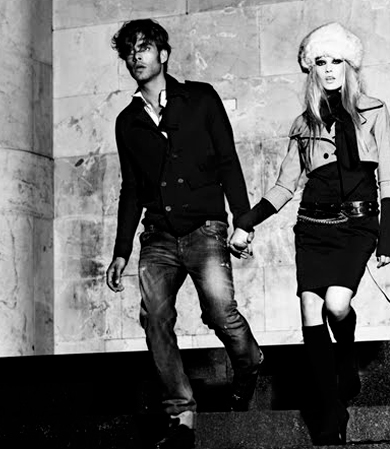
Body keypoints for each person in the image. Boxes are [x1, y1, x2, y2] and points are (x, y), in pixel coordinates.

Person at [229, 22, 390, 445]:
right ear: (311, 69)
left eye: (336, 61)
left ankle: (346, 357)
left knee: (338, 305)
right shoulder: (304, 124)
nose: (328, 69)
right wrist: (246, 221)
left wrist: (388, 235)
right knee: (310, 307)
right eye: (320, 62)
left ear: (349, 65)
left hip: (358, 224)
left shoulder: (374, 111)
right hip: (313, 227)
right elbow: (284, 186)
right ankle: (331, 410)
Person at [106, 18, 263, 449]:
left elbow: (228, 160)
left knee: (220, 312)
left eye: (143, 48)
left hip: (205, 228)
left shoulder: (200, 98)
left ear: (163, 54)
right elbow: (131, 188)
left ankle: (249, 362)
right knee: (154, 317)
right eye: (129, 51)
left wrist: (244, 220)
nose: (136, 57)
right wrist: (121, 250)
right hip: (157, 236)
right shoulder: (127, 122)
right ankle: (181, 413)